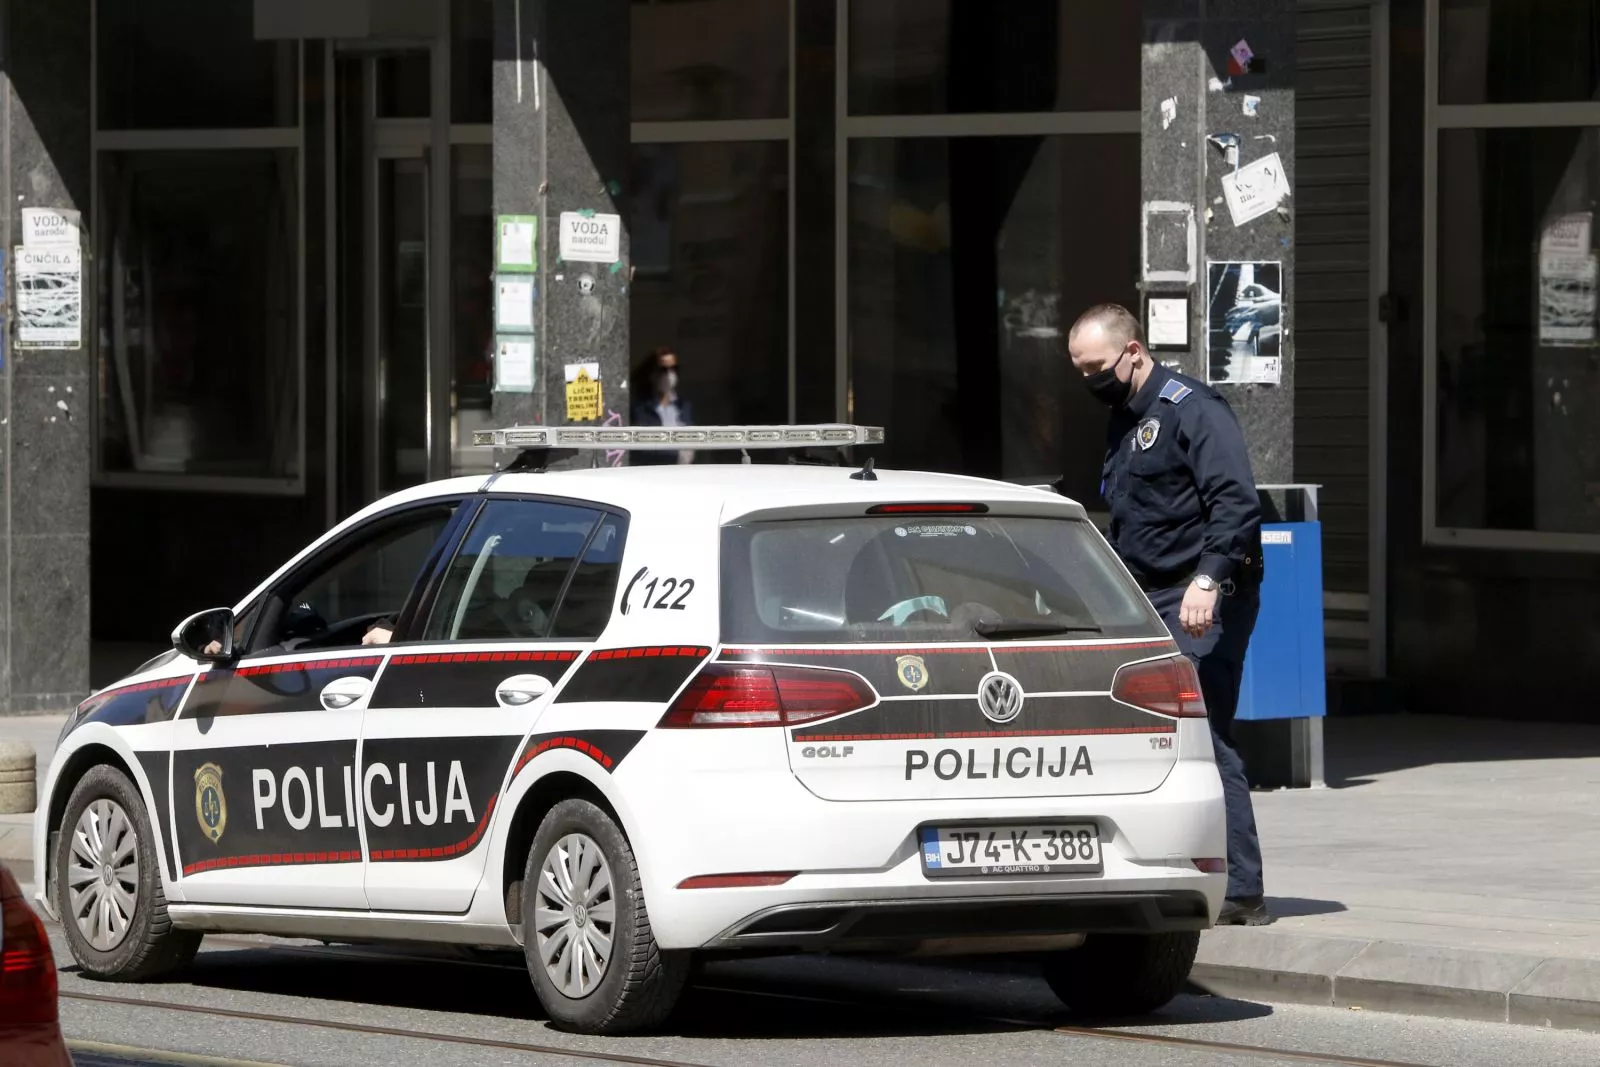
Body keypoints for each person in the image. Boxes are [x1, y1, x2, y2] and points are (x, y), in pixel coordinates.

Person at [1065, 302, 1270, 927]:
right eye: (1080, 371)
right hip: (1147, 597)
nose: (1090, 381)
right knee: (1153, 736)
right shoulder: (1127, 416)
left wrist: (1209, 579)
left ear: (1133, 352)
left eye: (1097, 367)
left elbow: (1236, 502)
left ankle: (1242, 890)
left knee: (1203, 735)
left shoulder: (1193, 408)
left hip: (1202, 595)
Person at [630, 346, 695, 465]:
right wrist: (676, 455)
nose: (669, 375)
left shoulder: (683, 406)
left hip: (681, 472)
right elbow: (641, 448)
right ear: (652, 373)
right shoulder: (640, 408)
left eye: (674, 369)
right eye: (663, 370)